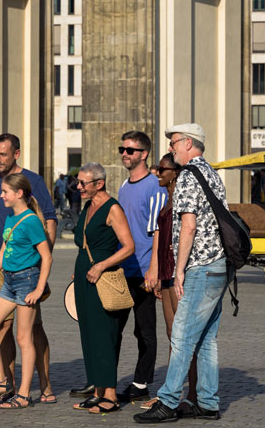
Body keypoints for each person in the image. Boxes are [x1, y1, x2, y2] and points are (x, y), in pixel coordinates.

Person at [135, 124, 229, 424]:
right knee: (206, 339)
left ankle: (168, 400)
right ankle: (208, 402)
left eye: (174, 142)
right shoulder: (212, 174)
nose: (171, 148)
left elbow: (188, 225)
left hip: (200, 266)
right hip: (219, 265)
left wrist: (178, 272)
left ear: (189, 143)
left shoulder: (189, 176)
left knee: (182, 335)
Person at [0, 133, 57, 403]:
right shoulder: (6, 210)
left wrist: (38, 283)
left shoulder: (31, 206)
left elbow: (47, 249)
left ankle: (29, 391)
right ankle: (3, 383)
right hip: (5, 276)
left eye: (3, 154)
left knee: (28, 335)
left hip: (26, 278)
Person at [69, 162, 136, 414]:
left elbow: (129, 247)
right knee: (88, 335)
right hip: (84, 279)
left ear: (99, 183)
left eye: (83, 183)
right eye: (79, 182)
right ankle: (98, 391)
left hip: (102, 279)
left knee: (104, 336)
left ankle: (110, 395)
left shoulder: (112, 208)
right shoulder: (88, 206)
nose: (78, 187)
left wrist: (100, 266)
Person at [114, 130, 168, 404]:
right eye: (122, 149)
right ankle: (105, 382)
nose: (125, 153)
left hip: (145, 271)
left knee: (145, 330)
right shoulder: (124, 186)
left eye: (130, 150)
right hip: (122, 271)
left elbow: (159, 230)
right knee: (114, 328)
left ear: (144, 154)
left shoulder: (155, 187)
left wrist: (154, 271)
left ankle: (141, 383)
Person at [142, 154, 197, 414]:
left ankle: (193, 393)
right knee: (172, 335)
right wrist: (154, 271)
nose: (157, 173)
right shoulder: (166, 200)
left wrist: (179, 271)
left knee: (184, 337)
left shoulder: (183, 199)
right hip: (165, 271)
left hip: (178, 272)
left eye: (162, 169)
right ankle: (171, 391)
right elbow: (159, 236)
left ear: (175, 172)